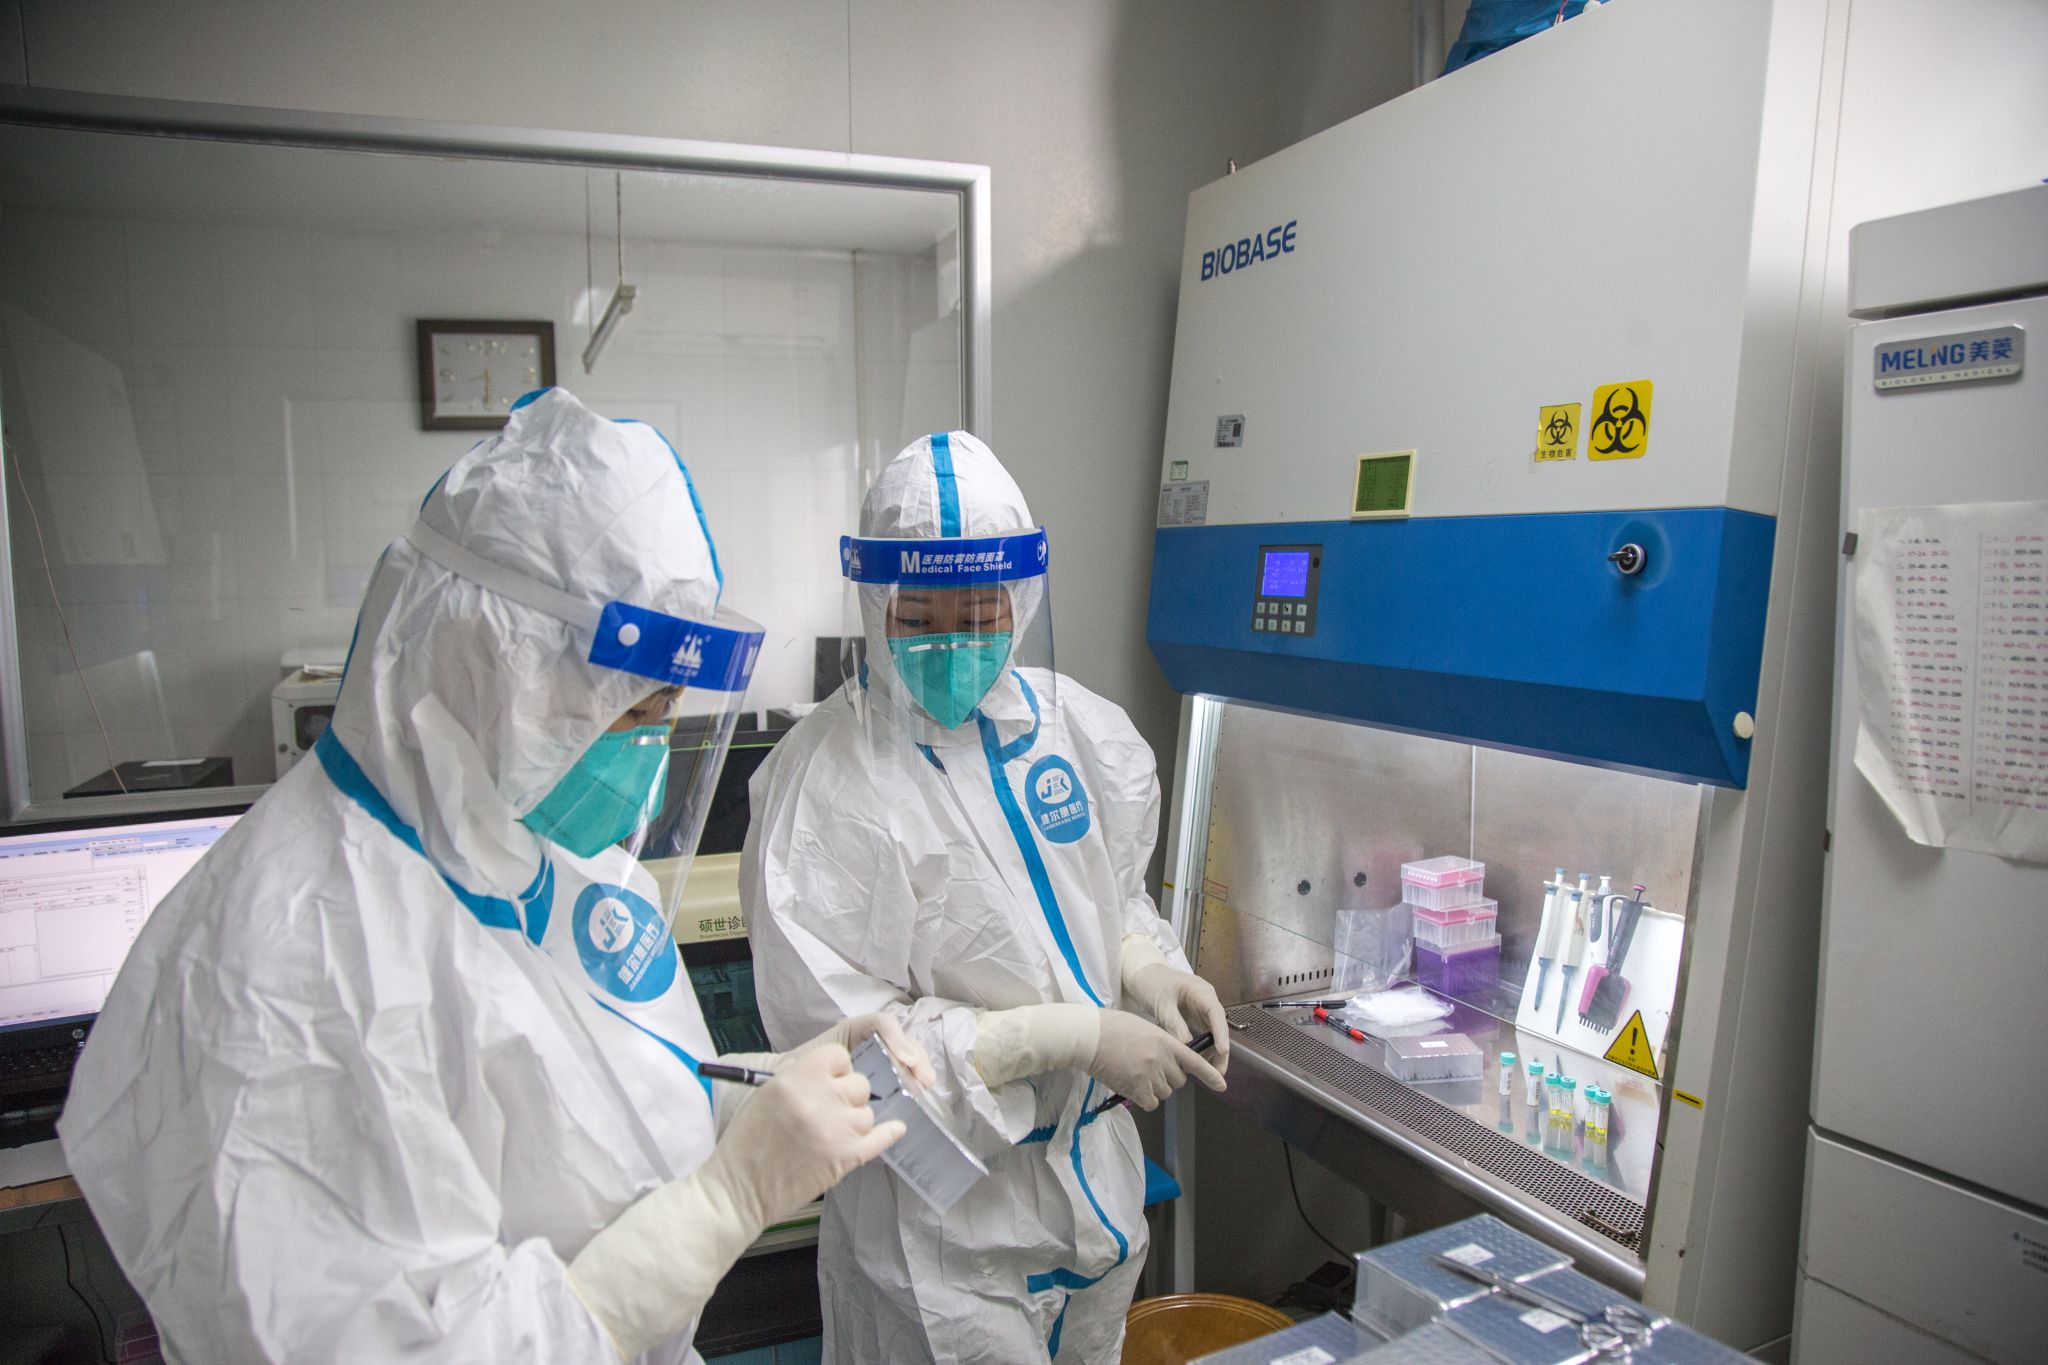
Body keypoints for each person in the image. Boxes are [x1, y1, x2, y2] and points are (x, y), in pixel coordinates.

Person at [59, 388, 931, 1365]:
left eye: (667, 710)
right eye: (631, 709)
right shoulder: (298, 961)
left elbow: (586, 1110)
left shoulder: (505, 841)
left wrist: (762, 1097)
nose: (649, 749)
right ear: (495, 665)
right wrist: (732, 1193)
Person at [744, 430, 1230, 1363]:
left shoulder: (1078, 731)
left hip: (1095, 1199)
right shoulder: (822, 790)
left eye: (979, 612)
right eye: (919, 616)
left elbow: (1108, 896)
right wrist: (1072, 1036)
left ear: (1021, 599)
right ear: (875, 607)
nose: (952, 642)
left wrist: (1148, 967)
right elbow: (852, 1060)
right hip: (938, 1243)